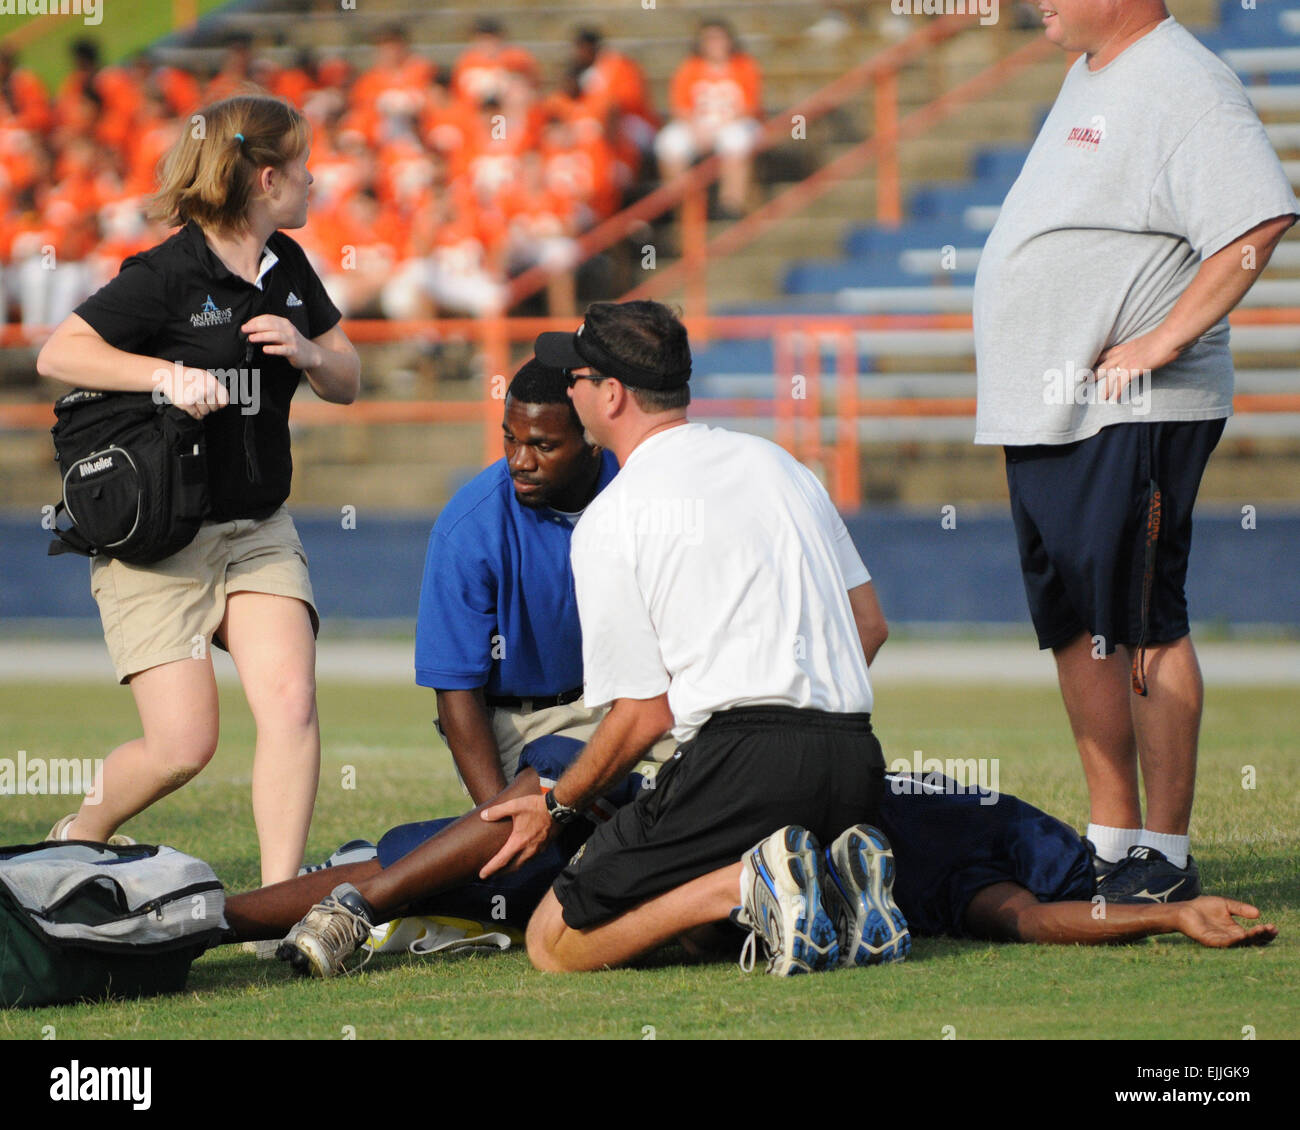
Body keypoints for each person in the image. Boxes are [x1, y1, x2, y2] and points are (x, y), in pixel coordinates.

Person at [971, 2, 1299, 903]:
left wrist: (1160, 341)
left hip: (1131, 408)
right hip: (1051, 412)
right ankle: (1113, 844)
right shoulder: (1096, 75)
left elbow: (1257, 223)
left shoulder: (1184, 80)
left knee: (1145, 614)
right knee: (1079, 621)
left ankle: (1167, 849)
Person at [475, 299, 898, 977]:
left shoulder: (614, 516)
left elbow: (645, 712)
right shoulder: (782, 464)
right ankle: (835, 887)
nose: (568, 389)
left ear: (611, 395)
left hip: (743, 761)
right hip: (854, 761)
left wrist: (555, 805)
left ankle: (740, 883)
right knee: (698, 940)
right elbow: (869, 626)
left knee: (552, 945)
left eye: (575, 378)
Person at [35, 94, 360, 885]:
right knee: (184, 746)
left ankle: (276, 902)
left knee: (291, 705)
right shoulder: (168, 272)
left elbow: (349, 379)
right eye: (306, 167)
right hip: (161, 542)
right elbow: (58, 353)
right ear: (267, 178)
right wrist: (165, 375)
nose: (315, 182)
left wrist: (308, 353)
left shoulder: (288, 265)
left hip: (258, 530)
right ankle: (79, 830)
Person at [265, 360, 674, 975]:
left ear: (591, 438)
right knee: (531, 863)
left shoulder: (640, 489)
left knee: (627, 860)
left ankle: (376, 873)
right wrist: (500, 821)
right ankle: (318, 906)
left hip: (632, 706)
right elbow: (455, 692)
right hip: (521, 730)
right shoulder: (469, 525)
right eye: (511, 439)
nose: (520, 459)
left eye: (543, 444)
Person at [220, 772, 1276, 969]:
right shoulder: (984, 819)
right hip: (709, 816)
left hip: (710, 850)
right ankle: (307, 898)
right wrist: (1160, 913)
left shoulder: (980, 865)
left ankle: (236, 912)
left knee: (491, 857)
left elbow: (1034, 920)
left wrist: (1164, 920)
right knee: (504, 831)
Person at [654, 20, 763, 218]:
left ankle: (731, 203)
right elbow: (680, 107)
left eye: (719, 38)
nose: (715, 44)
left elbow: (750, 106)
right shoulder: (690, 68)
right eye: (710, 39)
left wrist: (722, 124)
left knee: (735, 139)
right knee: (669, 142)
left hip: (734, 122)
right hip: (699, 124)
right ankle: (683, 204)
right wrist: (697, 128)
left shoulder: (743, 65)